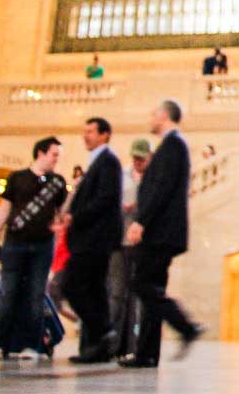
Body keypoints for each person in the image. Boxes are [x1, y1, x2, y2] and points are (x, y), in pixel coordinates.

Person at [120, 99, 203, 368]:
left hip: (160, 231)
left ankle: (186, 326)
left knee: (143, 284)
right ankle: (147, 353)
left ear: (165, 116)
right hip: (161, 230)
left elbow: (162, 187)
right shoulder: (170, 146)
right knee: (151, 287)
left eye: (154, 113)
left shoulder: (173, 145)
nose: (150, 117)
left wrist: (140, 221)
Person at [0, 136, 67, 361]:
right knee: (9, 294)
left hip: (42, 246)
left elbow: (60, 214)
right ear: (41, 153)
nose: (57, 159)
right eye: (54, 154)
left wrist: (59, 225)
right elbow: (4, 210)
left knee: (36, 295)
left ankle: (32, 345)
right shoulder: (17, 178)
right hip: (14, 244)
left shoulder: (57, 183)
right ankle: (0, 345)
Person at [62, 117, 123, 364]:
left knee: (71, 286)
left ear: (105, 135)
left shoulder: (108, 162)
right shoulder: (98, 161)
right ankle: (98, 348)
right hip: (91, 238)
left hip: (95, 239)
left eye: (91, 131)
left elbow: (106, 199)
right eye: (84, 131)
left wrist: (74, 217)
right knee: (95, 291)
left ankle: (104, 330)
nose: (85, 135)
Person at [110, 138, 151, 359]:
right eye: (135, 157)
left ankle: (135, 345)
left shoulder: (154, 179)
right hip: (122, 241)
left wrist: (139, 207)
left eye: (141, 158)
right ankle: (118, 344)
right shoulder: (123, 176)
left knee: (138, 296)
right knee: (119, 294)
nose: (137, 162)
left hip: (142, 243)